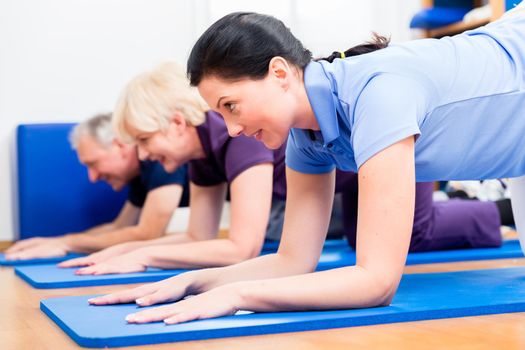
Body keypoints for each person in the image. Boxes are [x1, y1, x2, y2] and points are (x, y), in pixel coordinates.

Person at [90, 6, 525, 325]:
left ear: (280, 73)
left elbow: (377, 282)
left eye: (231, 106)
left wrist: (240, 294)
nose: (233, 129)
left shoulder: (378, 93)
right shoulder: (306, 137)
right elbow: (293, 259)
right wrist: (197, 281)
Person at [60, 61, 287, 274]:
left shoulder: (236, 134)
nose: (143, 155)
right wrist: (125, 250)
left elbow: (243, 250)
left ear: (177, 123)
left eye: (144, 139)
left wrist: (146, 256)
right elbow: (197, 236)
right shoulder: (200, 151)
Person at [5, 113, 188, 260]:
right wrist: (55, 241)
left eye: (93, 163)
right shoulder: (139, 174)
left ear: (119, 145)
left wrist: (68, 244)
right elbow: (120, 226)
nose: (92, 177)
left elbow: (147, 234)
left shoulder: (157, 160)